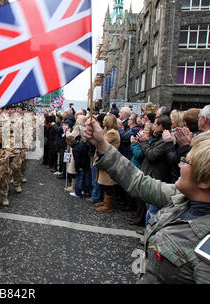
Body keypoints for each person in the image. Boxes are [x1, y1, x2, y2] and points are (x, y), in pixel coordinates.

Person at [85, 118, 210, 284]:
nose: (180, 165)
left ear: (204, 180)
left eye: (186, 161)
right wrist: (101, 145)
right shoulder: (181, 198)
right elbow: (139, 183)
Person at [94, 113, 120, 213]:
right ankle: (105, 202)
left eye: (105, 120)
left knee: (108, 183)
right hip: (107, 159)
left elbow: (101, 143)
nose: (103, 121)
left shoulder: (112, 132)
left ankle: (108, 206)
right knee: (105, 183)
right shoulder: (109, 131)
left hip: (109, 160)